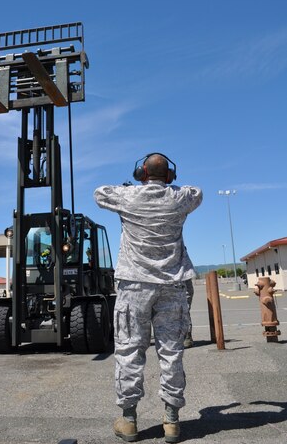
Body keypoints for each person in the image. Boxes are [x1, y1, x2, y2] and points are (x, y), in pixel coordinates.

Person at [94, 153, 202, 444]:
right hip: (172, 286)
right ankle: (172, 421)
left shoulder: (127, 197)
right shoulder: (179, 198)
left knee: (130, 351)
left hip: (134, 287)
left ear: (142, 172)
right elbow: (197, 193)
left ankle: (129, 420)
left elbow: (99, 193)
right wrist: (167, 184)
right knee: (171, 353)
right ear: (168, 175)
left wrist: (134, 187)